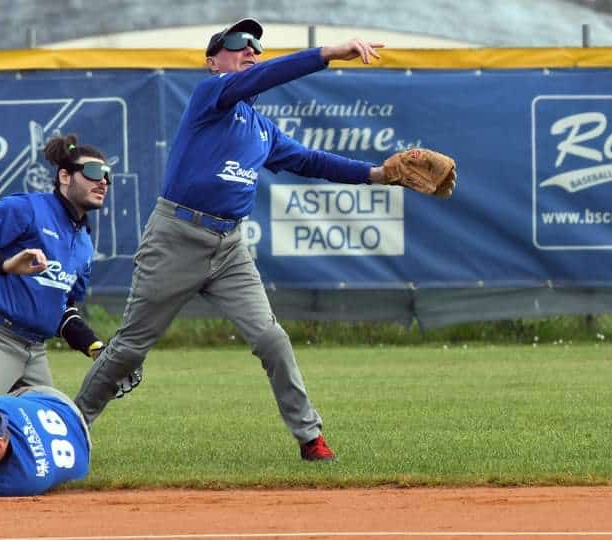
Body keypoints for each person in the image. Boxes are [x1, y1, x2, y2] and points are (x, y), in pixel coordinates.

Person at [73, 19, 453, 461]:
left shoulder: (261, 129)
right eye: (237, 43)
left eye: (256, 44)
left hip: (229, 246)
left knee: (271, 338)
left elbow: (310, 160)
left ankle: (310, 438)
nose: (250, 49)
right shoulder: (209, 96)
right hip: (176, 237)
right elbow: (262, 77)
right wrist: (327, 53)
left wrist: (376, 175)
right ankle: (75, 422)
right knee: (131, 348)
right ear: (212, 61)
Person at [0, 135, 138, 415]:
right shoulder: (28, 208)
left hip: (34, 350)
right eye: (93, 172)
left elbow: (64, 309)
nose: (103, 181)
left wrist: (97, 349)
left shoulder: (83, 243)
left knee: (50, 433)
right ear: (65, 176)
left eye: (107, 175)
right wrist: (6, 264)